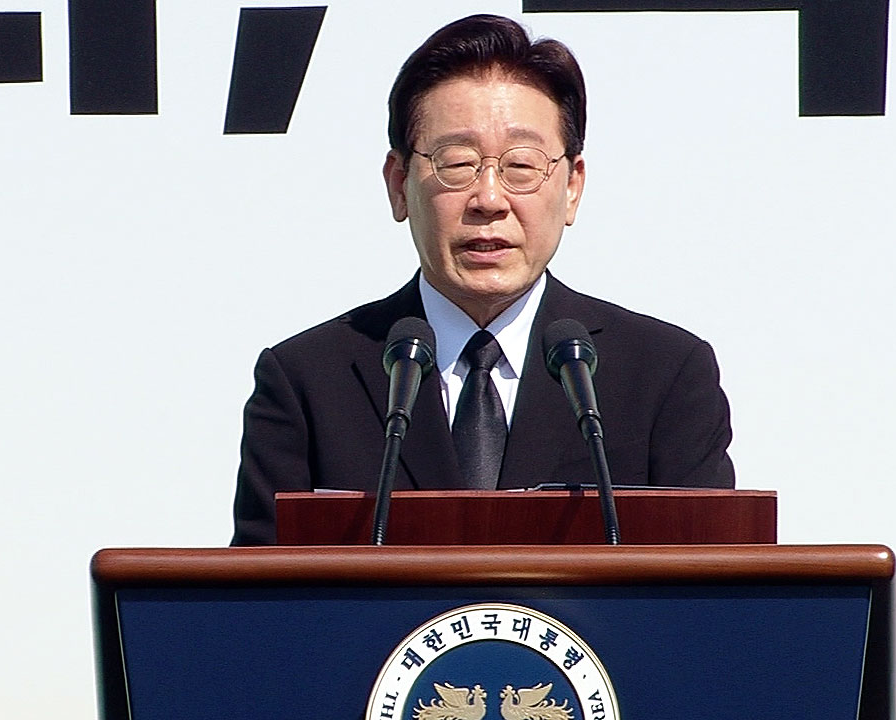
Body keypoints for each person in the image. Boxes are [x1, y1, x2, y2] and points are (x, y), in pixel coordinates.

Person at [231, 14, 733, 546]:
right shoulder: (306, 381)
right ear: (399, 185)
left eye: (521, 165)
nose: (489, 199)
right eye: (457, 163)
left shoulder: (665, 376)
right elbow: (261, 591)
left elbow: (708, 586)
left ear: (572, 187)